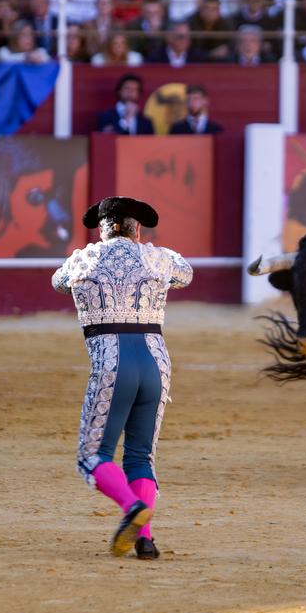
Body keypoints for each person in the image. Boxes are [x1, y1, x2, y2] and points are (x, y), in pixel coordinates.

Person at [52, 196, 193, 560]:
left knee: (92, 456)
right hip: (156, 363)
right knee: (140, 455)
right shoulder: (158, 258)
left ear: (102, 229)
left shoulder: (82, 259)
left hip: (112, 362)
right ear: (138, 228)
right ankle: (145, 540)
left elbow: (58, 283)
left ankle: (132, 507)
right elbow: (186, 274)